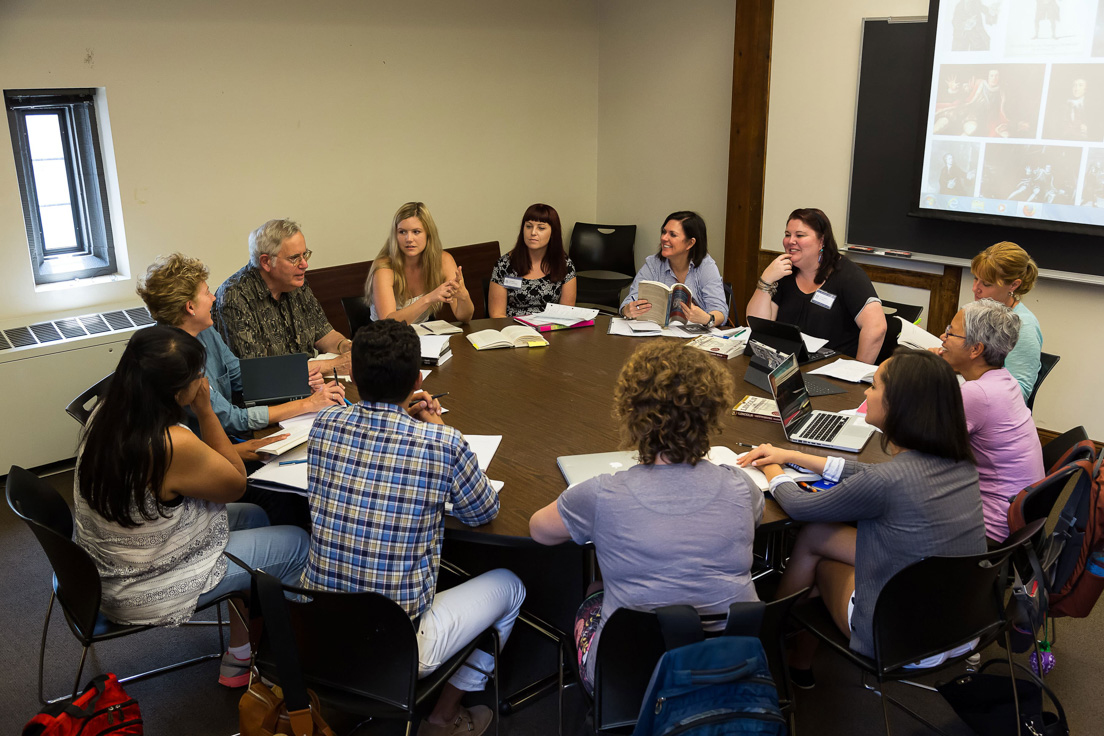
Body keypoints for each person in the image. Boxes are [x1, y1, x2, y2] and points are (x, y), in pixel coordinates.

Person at [302, 320, 524, 736]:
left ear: (353, 377)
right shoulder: (440, 443)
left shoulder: (325, 424)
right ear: (419, 379)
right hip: (394, 642)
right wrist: (435, 426)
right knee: (511, 586)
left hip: (316, 627)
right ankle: (443, 719)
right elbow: (481, 511)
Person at [73, 325, 309, 688]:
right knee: (296, 543)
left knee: (257, 516)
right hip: (142, 586)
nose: (203, 381)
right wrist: (207, 411)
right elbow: (235, 482)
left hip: (105, 570)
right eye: (197, 376)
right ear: (174, 390)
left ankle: (241, 653)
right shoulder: (169, 441)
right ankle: (293, 665)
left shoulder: (108, 412)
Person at [738, 349, 985, 685]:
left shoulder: (886, 482)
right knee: (816, 535)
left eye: (875, 386)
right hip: (962, 623)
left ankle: (769, 642)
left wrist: (772, 467)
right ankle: (797, 659)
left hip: (899, 639)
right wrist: (795, 455)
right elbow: (870, 473)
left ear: (899, 405)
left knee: (815, 554)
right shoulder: (960, 464)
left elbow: (799, 507)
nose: (867, 393)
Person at [528, 340, 763, 695]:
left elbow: (539, 531)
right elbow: (753, 519)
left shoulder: (602, 494)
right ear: (712, 412)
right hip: (731, 667)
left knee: (594, 591)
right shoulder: (740, 486)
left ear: (631, 412)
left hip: (629, 678)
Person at [138, 253, 346, 442]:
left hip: (229, 441)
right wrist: (308, 404)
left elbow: (241, 375)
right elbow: (231, 418)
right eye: (207, 293)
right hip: (206, 451)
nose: (213, 298)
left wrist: (296, 384)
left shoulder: (204, 330)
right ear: (190, 307)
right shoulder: (172, 357)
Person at [936, 300, 1044, 542]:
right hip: (1015, 519)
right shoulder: (1004, 381)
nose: (943, 336)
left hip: (988, 530)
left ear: (975, 349)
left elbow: (926, 452)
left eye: (951, 332)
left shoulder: (978, 394)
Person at [746, 208, 886, 364]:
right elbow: (757, 326)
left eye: (799, 235)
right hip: (790, 367)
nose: (790, 241)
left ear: (822, 241)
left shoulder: (849, 275)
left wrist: (858, 371)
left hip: (834, 371)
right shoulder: (784, 273)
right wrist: (766, 280)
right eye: (787, 235)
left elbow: (876, 328)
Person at [213, 218, 352, 372]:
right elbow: (259, 372)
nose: (305, 264)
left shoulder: (296, 284)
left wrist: (345, 346)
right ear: (266, 262)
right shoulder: (234, 296)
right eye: (294, 258)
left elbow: (324, 333)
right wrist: (334, 364)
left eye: (304, 254)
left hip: (309, 382)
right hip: (270, 390)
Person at [365, 202, 475, 325]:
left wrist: (463, 295)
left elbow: (464, 317)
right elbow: (388, 324)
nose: (409, 239)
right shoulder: (384, 268)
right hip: (385, 337)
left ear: (428, 234)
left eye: (416, 232)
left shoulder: (443, 260)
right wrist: (428, 299)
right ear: (395, 235)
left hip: (422, 335)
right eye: (402, 232)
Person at [620, 211, 728, 328]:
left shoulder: (706, 266)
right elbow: (629, 301)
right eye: (664, 232)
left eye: (673, 235)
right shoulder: (653, 264)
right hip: (658, 334)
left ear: (690, 243)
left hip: (696, 338)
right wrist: (627, 310)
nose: (664, 238)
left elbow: (720, 311)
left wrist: (707, 318)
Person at [968, 241, 1042, 399]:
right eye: (975, 279)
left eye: (987, 284)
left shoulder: (1023, 326)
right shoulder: (978, 311)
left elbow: (1019, 393)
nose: (975, 288)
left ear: (1014, 285)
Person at [488, 203, 577, 317]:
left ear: (553, 233)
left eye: (541, 228)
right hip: (513, 330)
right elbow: (497, 315)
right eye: (529, 226)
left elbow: (566, 314)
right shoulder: (504, 265)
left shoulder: (564, 265)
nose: (533, 232)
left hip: (550, 329)